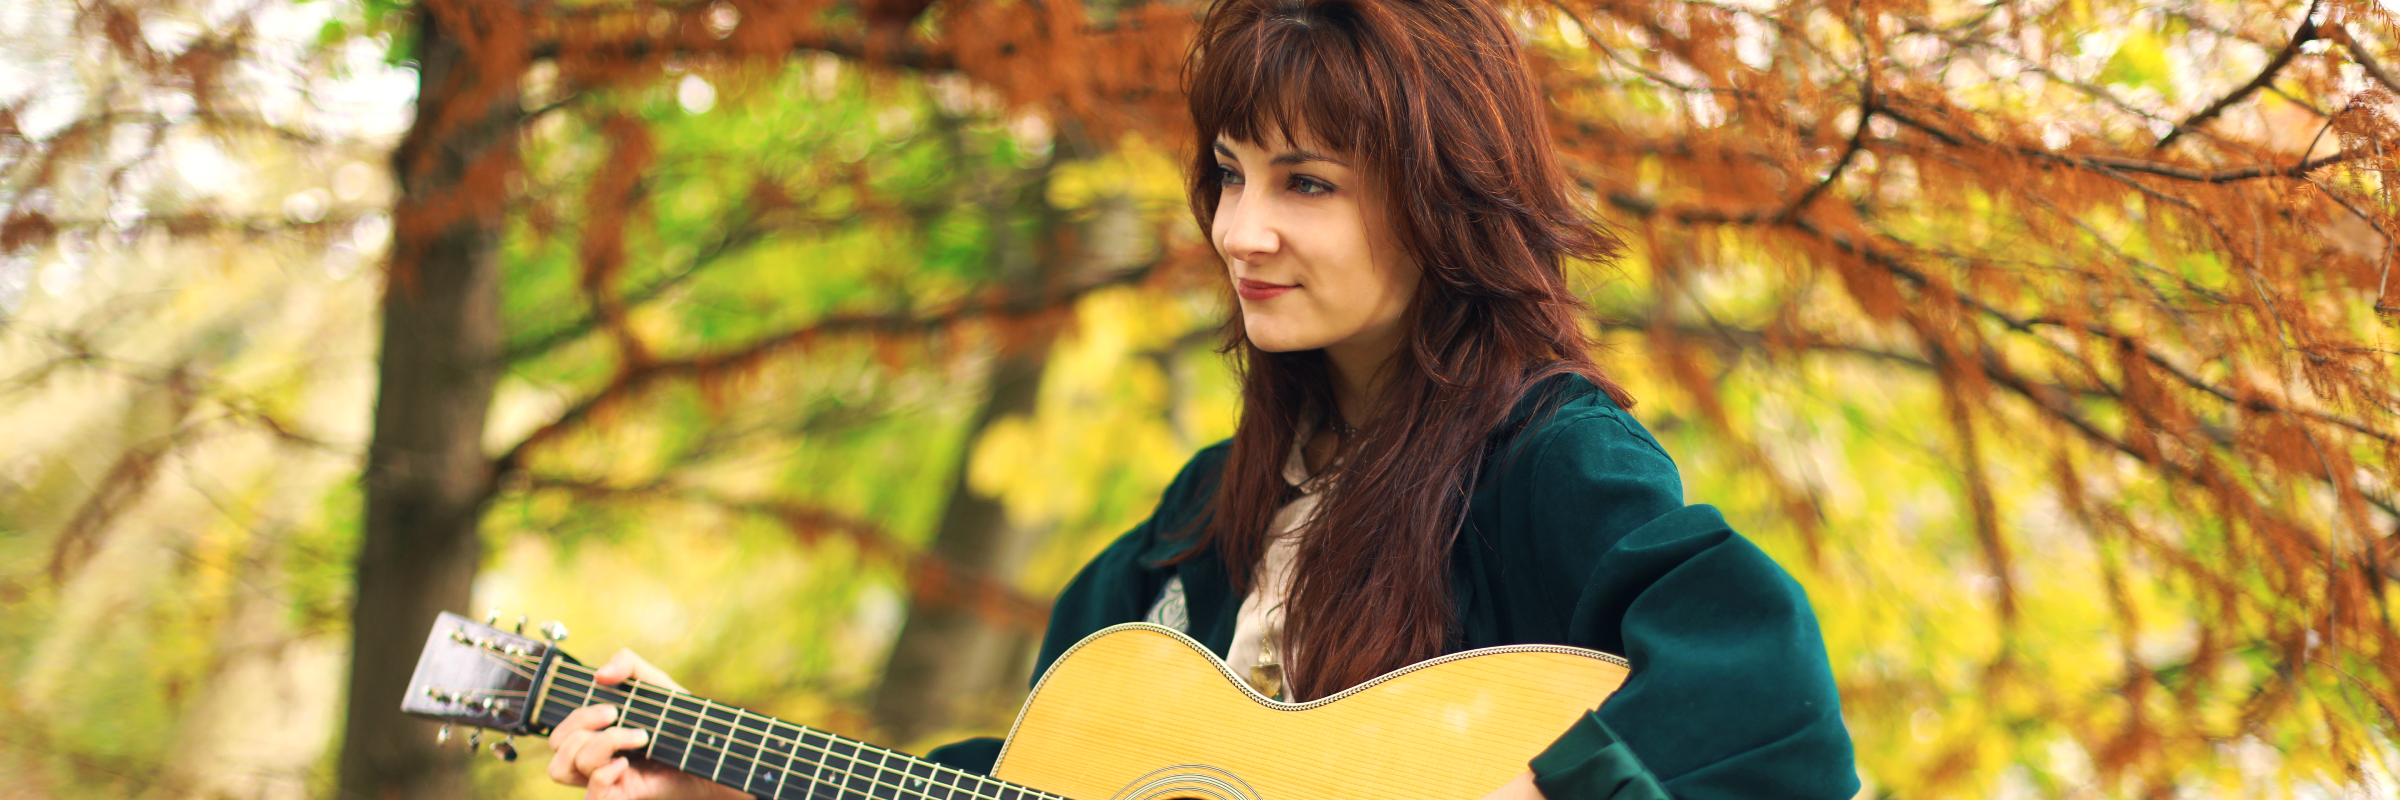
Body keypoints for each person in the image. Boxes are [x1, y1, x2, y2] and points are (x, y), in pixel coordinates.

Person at [546, 0, 1858, 797]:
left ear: (1440, 194)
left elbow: (1769, 692)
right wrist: (738, 779)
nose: (1239, 229)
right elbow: (1034, 788)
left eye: (1305, 183)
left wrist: (1544, 784)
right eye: (1227, 175)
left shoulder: (1545, 458)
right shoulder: (1197, 522)